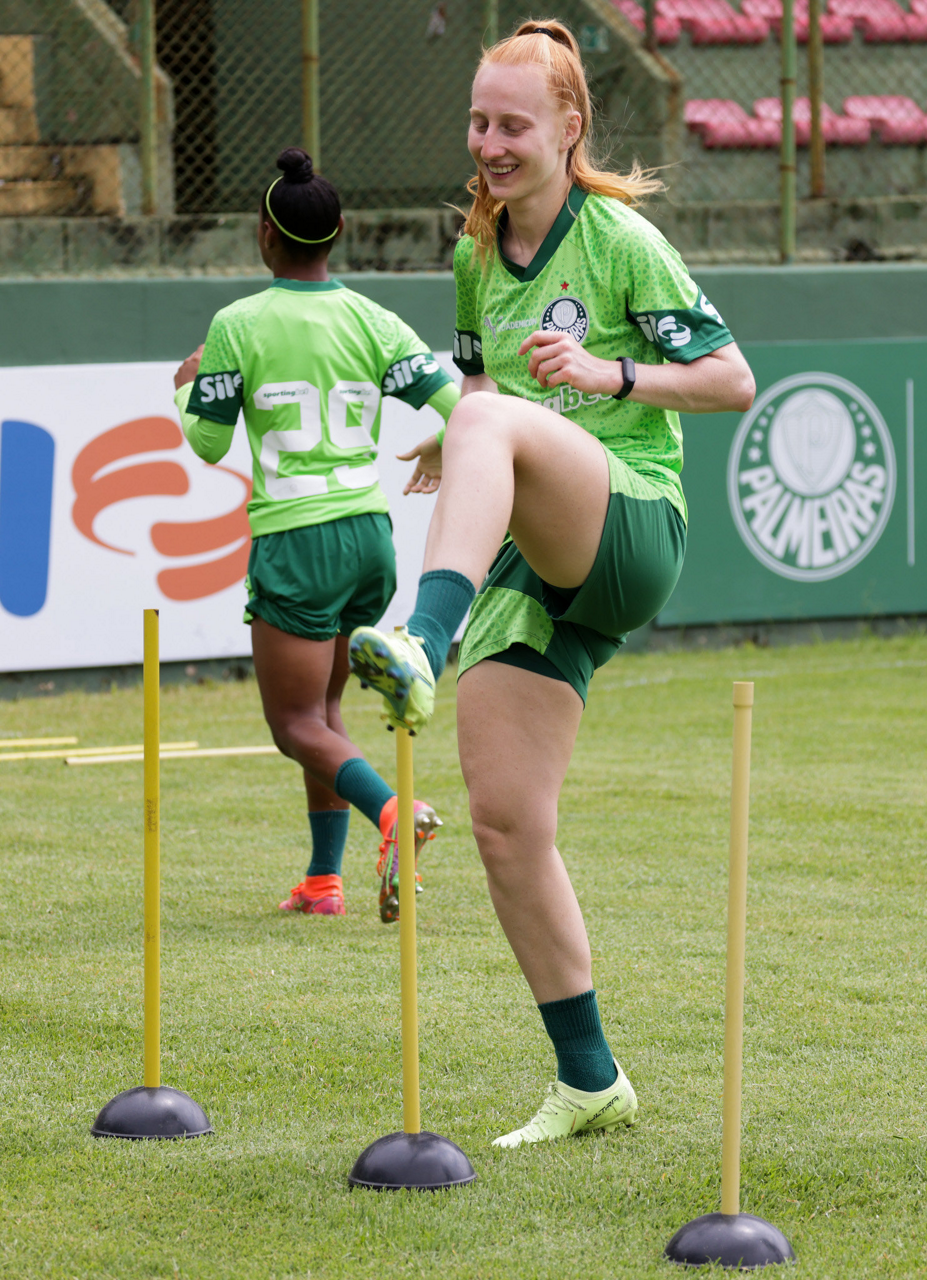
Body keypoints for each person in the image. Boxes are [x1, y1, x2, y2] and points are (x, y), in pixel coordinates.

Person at [350, 20, 755, 1146]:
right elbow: (481, 386)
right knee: (505, 821)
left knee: (486, 423)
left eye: (513, 125)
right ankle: (590, 1079)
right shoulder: (474, 253)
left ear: (570, 126)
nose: (490, 143)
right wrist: (454, 438)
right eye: (478, 121)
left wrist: (606, 372)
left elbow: (732, 379)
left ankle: (422, 638)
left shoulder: (621, 240)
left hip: (632, 522)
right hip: (539, 557)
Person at [172, 147, 458, 923]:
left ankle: (396, 811)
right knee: (325, 714)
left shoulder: (238, 324)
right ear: (339, 232)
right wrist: (441, 444)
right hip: (369, 536)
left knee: (293, 724)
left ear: (265, 235)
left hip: (298, 538)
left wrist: (186, 387)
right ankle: (323, 881)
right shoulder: (375, 319)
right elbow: (463, 406)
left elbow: (207, 443)